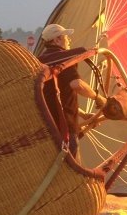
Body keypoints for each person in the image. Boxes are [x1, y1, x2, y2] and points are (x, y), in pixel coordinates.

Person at [38, 23, 106, 157]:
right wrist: (98, 98)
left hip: (46, 128)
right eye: (66, 37)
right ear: (57, 40)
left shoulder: (39, 62)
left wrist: (82, 114)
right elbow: (77, 85)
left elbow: (54, 96)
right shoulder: (65, 59)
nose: (69, 40)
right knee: (71, 171)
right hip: (65, 130)